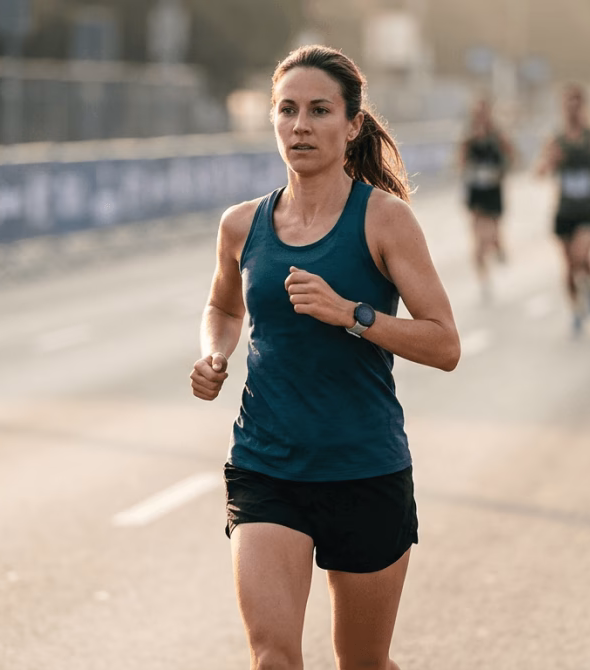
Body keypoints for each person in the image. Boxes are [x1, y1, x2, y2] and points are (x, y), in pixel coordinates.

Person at [189, 45, 460, 670]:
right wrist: (215, 354)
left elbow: (445, 343)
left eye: (318, 110)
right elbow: (224, 308)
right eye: (287, 110)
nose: (300, 125)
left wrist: (353, 315)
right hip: (267, 467)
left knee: (362, 663)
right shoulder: (241, 224)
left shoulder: (385, 221)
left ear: (352, 124)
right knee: (272, 658)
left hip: (363, 469)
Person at [536, 83, 590, 336]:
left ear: (582, 106)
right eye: (567, 103)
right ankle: (575, 310)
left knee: (581, 257)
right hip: (564, 209)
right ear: (563, 108)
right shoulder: (556, 139)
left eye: (576, 103)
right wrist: (552, 162)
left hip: (587, 207)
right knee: (569, 266)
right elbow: (539, 172)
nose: (572, 108)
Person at [460, 98, 515, 301]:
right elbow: (460, 161)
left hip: (493, 192)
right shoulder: (469, 138)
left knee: (491, 234)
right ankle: (483, 279)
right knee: (478, 240)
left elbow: (512, 157)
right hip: (476, 192)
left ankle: (498, 246)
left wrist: (500, 171)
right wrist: (468, 169)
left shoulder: (498, 137)